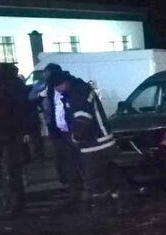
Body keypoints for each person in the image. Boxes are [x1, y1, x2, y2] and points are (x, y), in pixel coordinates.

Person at [47, 70, 118, 209]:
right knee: (106, 175)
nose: (57, 90)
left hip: (95, 143)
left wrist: (75, 137)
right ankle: (116, 201)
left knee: (94, 178)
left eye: (57, 87)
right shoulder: (77, 89)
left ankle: (102, 207)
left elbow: (82, 120)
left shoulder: (77, 93)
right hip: (99, 142)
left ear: (63, 83)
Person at [0, 54, 29, 214]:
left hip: (10, 132)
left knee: (12, 167)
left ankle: (17, 201)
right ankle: (8, 197)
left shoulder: (11, 83)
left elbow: (22, 107)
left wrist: (23, 129)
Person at [39, 64, 84, 209]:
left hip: (73, 131)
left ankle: (84, 191)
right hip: (59, 132)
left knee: (80, 162)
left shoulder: (73, 88)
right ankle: (75, 192)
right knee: (67, 164)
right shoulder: (49, 90)